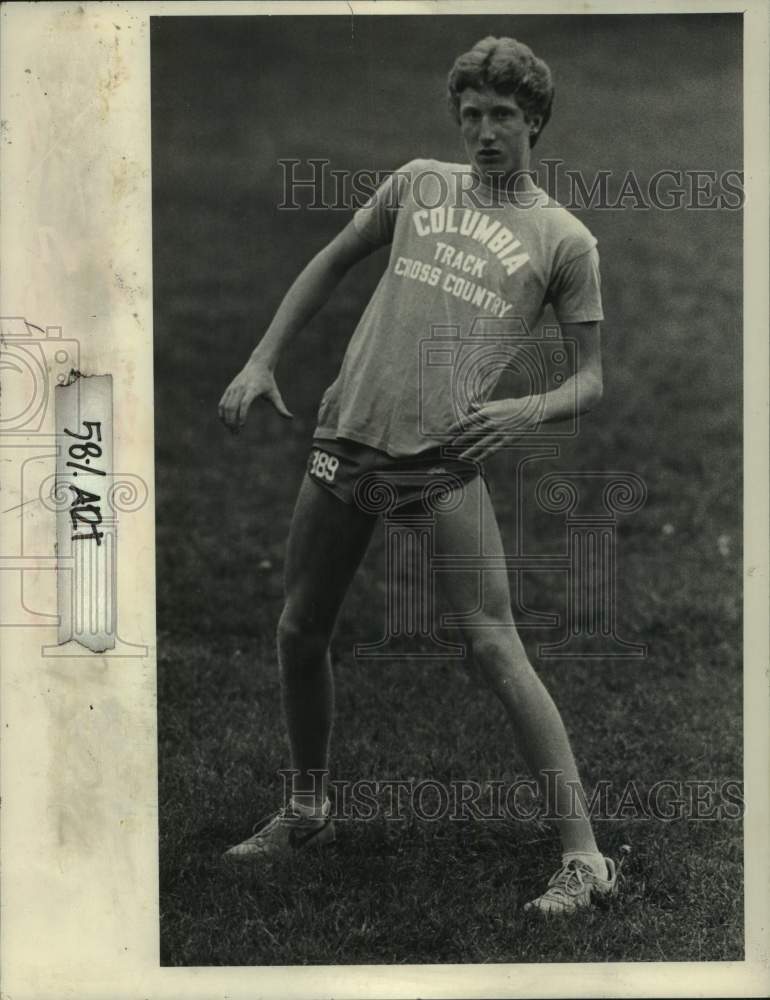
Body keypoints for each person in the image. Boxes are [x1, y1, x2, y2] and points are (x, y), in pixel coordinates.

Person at [218, 35, 619, 915]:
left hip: (441, 458)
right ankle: (308, 808)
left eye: (502, 116)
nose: (483, 132)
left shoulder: (564, 238)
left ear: (536, 121)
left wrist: (524, 410)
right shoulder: (416, 182)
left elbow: (591, 378)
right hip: (349, 432)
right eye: (470, 114)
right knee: (298, 629)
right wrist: (262, 362)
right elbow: (330, 260)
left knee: (491, 641)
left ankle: (586, 858)